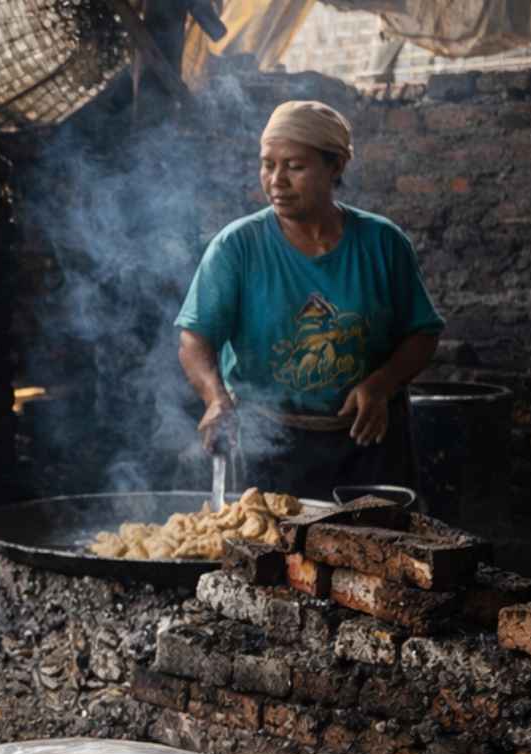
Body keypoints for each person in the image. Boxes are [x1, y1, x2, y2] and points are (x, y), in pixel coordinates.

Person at [175, 99, 445, 499]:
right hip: (269, 447)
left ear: (335, 167)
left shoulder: (383, 243)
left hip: (368, 441)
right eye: (268, 164)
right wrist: (215, 398)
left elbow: (422, 333)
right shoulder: (237, 247)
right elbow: (194, 338)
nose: (276, 181)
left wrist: (380, 385)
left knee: (379, 551)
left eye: (295, 167)